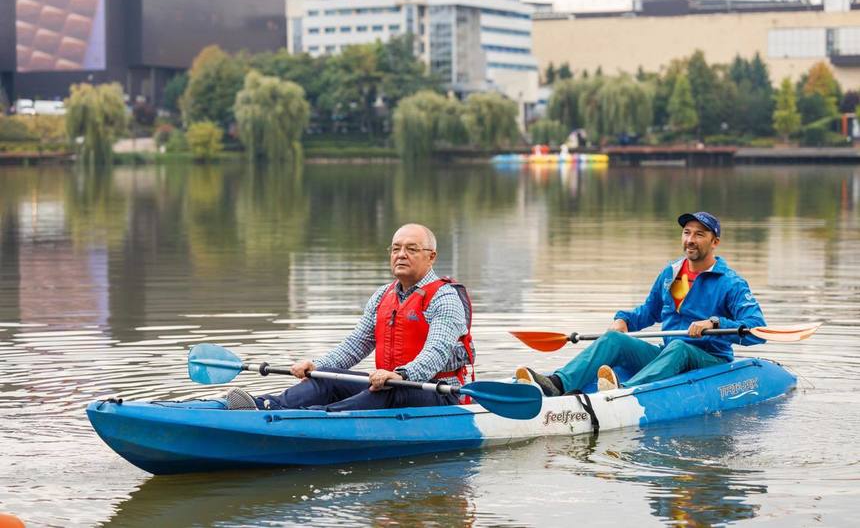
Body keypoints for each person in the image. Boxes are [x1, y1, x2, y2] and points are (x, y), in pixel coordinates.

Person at [226, 223, 475, 411]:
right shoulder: (382, 296)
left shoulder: (444, 298)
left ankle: (318, 418)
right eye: (396, 248)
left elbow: (437, 352)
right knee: (326, 380)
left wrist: (402, 375)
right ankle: (264, 406)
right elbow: (357, 344)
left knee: (386, 392)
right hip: (389, 383)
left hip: (436, 392)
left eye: (411, 249)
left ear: (431, 256)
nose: (401, 254)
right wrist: (317, 366)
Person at [516, 211, 766, 396]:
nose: (690, 239)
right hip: (668, 354)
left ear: (715, 242)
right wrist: (624, 320)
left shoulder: (730, 283)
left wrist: (714, 322)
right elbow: (649, 312)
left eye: (699, 234)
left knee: (680, 346)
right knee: (614, 339)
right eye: (687, 232)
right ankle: (557, 384)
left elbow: (757, 329)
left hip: (709, 359)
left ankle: (625, 393)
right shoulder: (673, 274)